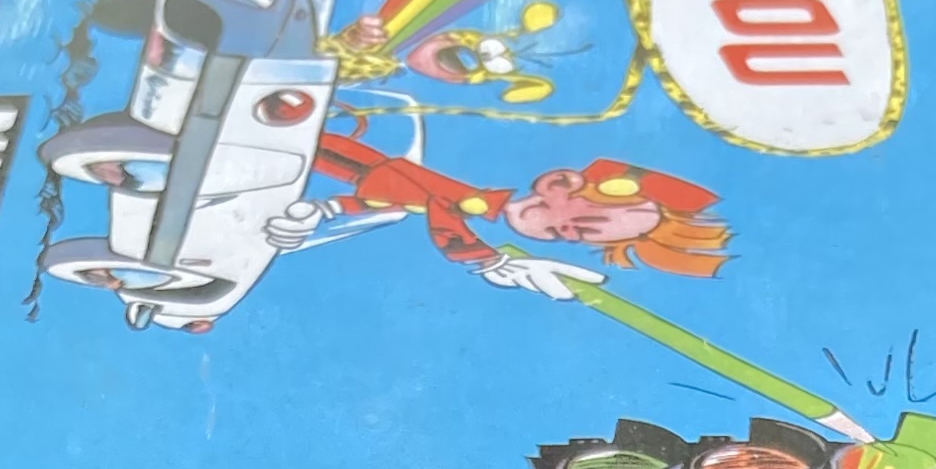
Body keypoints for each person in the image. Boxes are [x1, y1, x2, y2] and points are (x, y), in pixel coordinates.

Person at [265, 130, 730, 300]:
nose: (567, 234)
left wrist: (323, 212)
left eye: (574, 238)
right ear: (560, 183)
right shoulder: (466, 176)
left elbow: (395, 197)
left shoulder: (475, 201)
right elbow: (428, 196)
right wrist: (485, 259)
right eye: (582, 223)